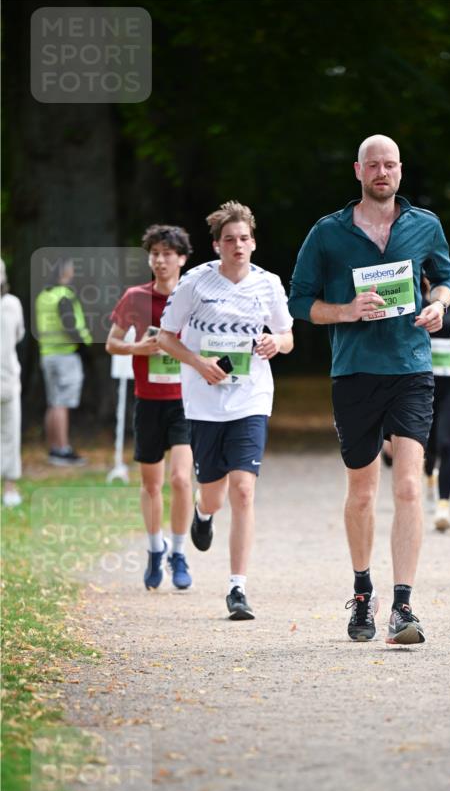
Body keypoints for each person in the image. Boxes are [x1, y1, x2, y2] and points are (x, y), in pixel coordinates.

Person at [288, 134, 450, 645]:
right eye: (373, 165)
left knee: (407, 486)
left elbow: (443, 278)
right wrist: (345, 312)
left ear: (400, 170)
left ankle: (404, 607)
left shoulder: (424, 224)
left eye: (390, 164)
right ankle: (363, 592)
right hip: (355, 371)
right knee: (362, 493)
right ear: (358, 171)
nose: (382, 172)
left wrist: (439, 306)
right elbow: (299, 302)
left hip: (411, 368)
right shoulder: (328, 232)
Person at [158, 200, 294, 620]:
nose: (238, 245)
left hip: (251, 397)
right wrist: (198, 363)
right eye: (230, 240)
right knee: (215, 495)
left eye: (245, 239)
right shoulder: (196, 283)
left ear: (253, 242)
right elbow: (165, 338)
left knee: (244, 489)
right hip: (203, 400)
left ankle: (237, 588)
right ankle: (202, 513)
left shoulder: (267, 283)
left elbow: (288, 335)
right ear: (216, 245)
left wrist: (276, 343)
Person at [106, 225, 195, 590]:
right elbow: (112, 344)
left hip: (186, 401)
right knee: (152, 482)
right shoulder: (135, 297)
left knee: (180, 478)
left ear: (182, 259)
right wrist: (137, 349)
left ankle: (178, 552)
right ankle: (155, 549)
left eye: (168, 254)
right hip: (148, 401)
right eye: (155, 253)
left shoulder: (193, 295)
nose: (160, 260)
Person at [423, 266, 450, 531]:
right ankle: (430, 478)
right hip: (422, 386)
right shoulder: (416, 305)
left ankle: (443, 506)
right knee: (428, 447)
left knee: (446, 443)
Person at [35, 258, 92, 465]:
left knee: (53, 402)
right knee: (62, 403)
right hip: (66, 354)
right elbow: (69, 323)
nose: (73, 273)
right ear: (62, 272)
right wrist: (83, 343)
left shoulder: (44, 295)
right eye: (70, 270)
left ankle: (53, 448)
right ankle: (62, 449)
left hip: (47, 353)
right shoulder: (64, 295)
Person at [1, 258, 25, 508]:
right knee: (9, 432)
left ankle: (10, 485)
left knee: (10, 432)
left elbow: (17, 334)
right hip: (8, 376)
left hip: (7, 378)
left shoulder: (11, 304)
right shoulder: (12, 304)